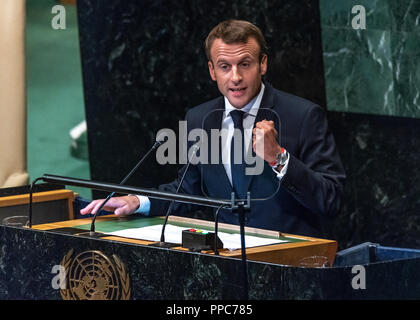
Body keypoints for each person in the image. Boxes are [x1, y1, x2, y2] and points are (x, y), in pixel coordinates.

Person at [81, 19, 346, 237]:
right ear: (212, 70)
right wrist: (139, 201)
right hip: (227, 264)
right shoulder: (200, 119)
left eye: (245, 64)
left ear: (262, 64)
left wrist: (279, 158)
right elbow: (188, 190)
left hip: (290, 265)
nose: (236, 77)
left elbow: (331, 200)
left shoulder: (303, 116)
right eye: (224, 66)